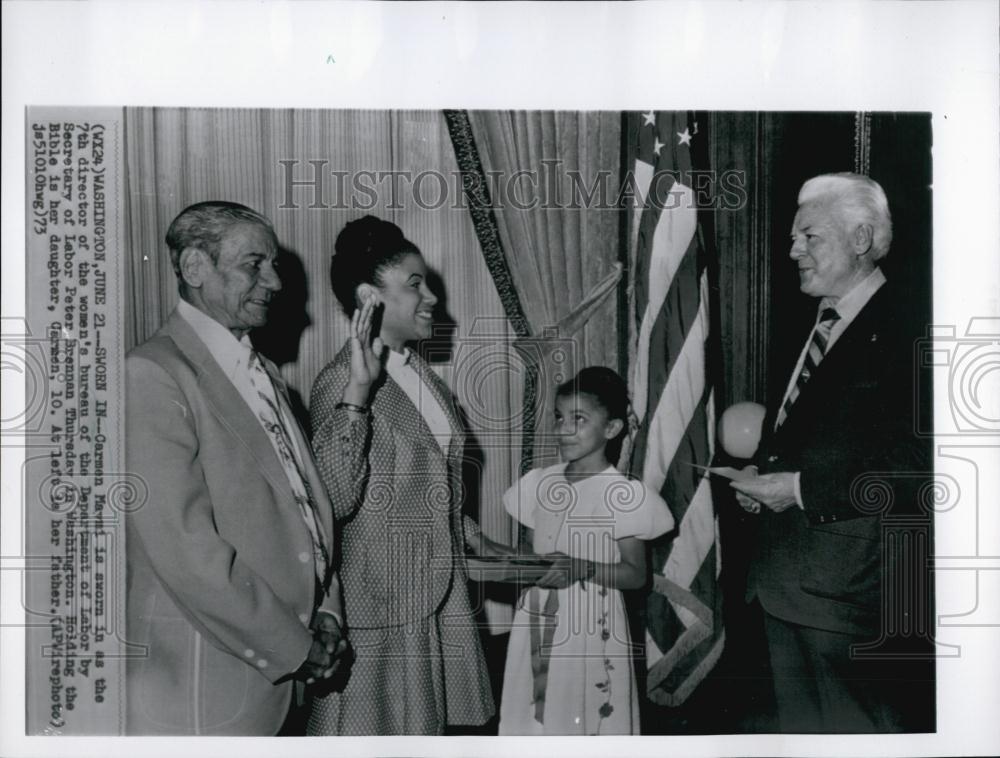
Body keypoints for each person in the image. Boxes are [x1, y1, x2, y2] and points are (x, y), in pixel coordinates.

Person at [124, 201, 350, 735]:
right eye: (255, 264)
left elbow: (303, 508)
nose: (274, 281)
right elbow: (185, 550)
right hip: (204, 686)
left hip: (275, 678)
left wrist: (326, 611)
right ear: (196, 268)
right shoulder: (151, 374)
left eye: (274, 265)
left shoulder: (264, 372)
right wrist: (296, 645)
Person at [730, 173, 928, 732]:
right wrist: (765, 477)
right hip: (785, 585)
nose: (793, 250)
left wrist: (795, 489)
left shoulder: (913, 326)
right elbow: (813, 439)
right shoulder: (814, 320)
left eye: (809, 236)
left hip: (849, 596)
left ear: (861, 238)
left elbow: (920, 466)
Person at [306, 215, 494, 735]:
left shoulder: (416, 372)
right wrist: (357, 398)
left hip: (435, 601)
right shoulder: (340, 384)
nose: (431, 296)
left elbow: (431, 490)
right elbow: (335, 502)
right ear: (370, 296)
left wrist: (485, 544)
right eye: (414, 285)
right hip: (380, 616)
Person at [475, 367, 674, 735]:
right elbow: (533, 557)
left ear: (611, 429)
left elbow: (636, 574)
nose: (563, 429)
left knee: (580, 713)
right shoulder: (540, 482)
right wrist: (488, 548)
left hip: (589, 623)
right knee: (533, 717)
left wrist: (582, 567)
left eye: (578, 419)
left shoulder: (623, 494)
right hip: (537, 617)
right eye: (559, 417)